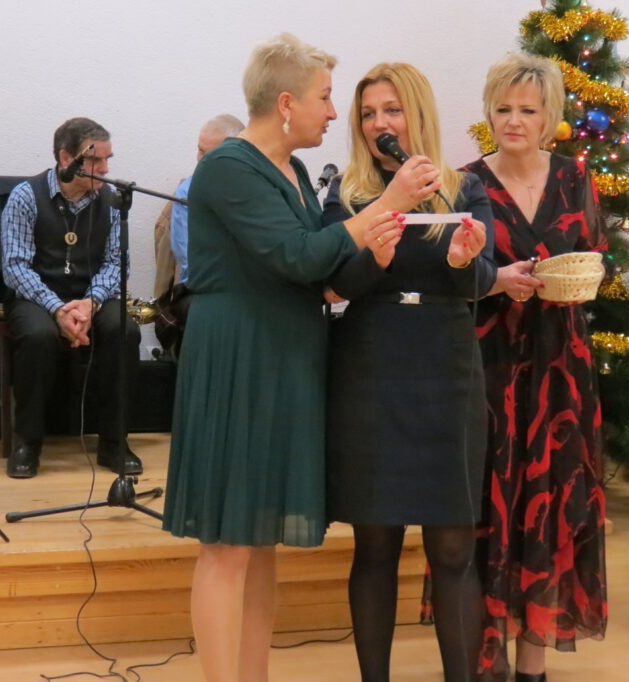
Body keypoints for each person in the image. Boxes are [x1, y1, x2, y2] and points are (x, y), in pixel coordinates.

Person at [162, 34, 433, 682]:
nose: (335, 113)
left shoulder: (296, 173)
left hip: (284, 355)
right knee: (228, 544)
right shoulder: (228, 166)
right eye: (326, 98)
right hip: (239, 357)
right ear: (286, 104)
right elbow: (297, 255)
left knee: (259, 544)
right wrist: (388, 205)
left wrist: (376, 249)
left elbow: (324, 269)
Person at [322, 62, 494, 682]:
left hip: (447, 369)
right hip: (372, 369)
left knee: (452, 548)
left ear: (416, 115)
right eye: (368, 113)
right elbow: (334, 285)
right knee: (375, 545)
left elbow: (481, 282)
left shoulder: (462, 188)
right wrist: (374, 255)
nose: (379, 124)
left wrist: (462, 260)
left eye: (391, 110)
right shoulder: (345, 194)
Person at [463, 53, 608, 682]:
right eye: (503, 108)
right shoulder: (467, 183)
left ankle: (533, 663)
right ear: (489, 112)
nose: (514, 120)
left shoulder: (575, 177)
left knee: (552, 504)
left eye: (527, 110)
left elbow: (596, 255)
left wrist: (571, 279)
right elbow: (457, 277)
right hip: (491, 365)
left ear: (549, 117)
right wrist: (498, 281)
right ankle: (483, 656)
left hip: (561, 367)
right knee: (491, 506)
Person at [0, 117, 141, 479]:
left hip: (92, 295)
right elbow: (15, 267)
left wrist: (90, 303)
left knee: (124, 330)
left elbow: (117, 263)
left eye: (108, 159)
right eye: (95, 160)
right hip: (37, 295)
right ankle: (28, 442)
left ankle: (114, 441)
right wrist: (57, 309)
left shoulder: (112, 199)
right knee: (37, 335)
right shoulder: (25, 196)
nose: (105, 169)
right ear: (66, 158)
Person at [169, 113, 245, 285]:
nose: (201, 160)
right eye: (200, 150)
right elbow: (193, 262)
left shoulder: (257, 187)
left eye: (210, 154)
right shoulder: (187, 194)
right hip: (206, 287)